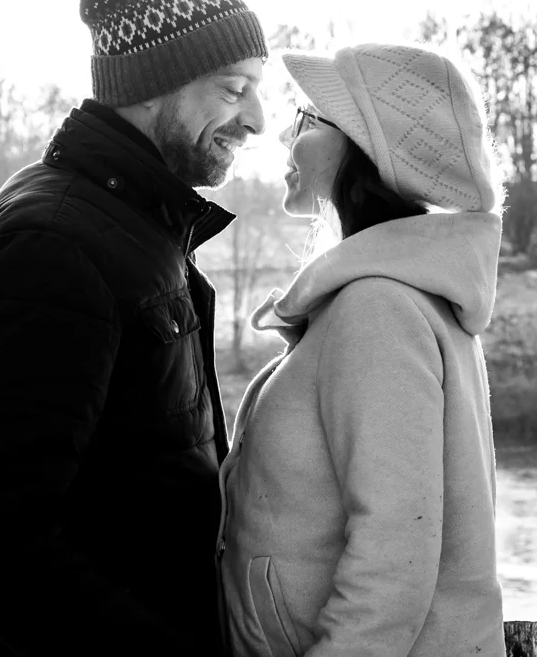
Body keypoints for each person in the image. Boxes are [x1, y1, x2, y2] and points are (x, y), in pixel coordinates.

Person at [0, 0, 267, 656]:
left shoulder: (127, 228)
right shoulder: (50, 249)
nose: (259, 120)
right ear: (151, 82)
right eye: (233, 89)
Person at [217, 43, 507, 656]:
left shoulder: (378, 310)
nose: (283, 138)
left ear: (364, 150)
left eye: (306, 119)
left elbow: (394, 555)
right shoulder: (397, 297)